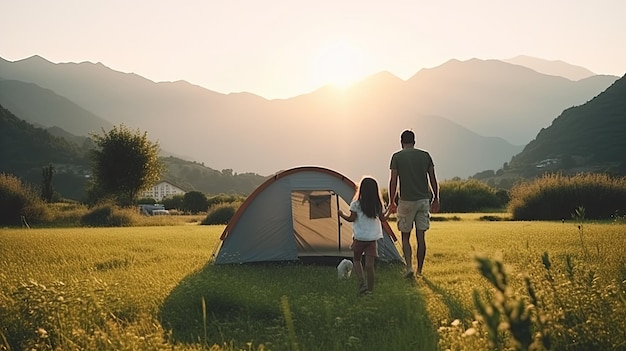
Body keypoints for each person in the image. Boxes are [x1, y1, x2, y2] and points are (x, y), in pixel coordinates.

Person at [387, 129, 440, 278]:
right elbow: (433, 179)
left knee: (405, 236)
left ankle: (409, 267)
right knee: (421, 236)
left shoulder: (397, 157)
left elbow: (393, 181)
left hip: (406, 201)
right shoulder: (425, 156)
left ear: (401, 142)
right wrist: (436, 197)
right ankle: (420, 271)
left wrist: (391, 201)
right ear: (414, 142)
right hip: (423, 200)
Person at [338, 176, 390, 295]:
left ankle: (362, 282)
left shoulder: (356, 204)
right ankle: (370, 291)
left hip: (359, 238)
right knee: (369, 266)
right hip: (372, 239)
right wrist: (390, 211)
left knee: (356, 260)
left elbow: (351, 219)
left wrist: (341, 214)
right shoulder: (377, 205)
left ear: (361, 189)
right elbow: (383, 219)